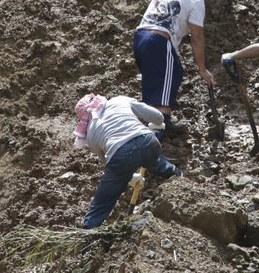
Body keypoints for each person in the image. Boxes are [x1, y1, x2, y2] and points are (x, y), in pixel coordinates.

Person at [133, 0, 229, 134]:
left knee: (166, 75)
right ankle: (160, 131)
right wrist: (202, 69)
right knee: (167, 82)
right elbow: (197, 37)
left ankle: (152, 122)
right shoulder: (196, 0)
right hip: (159, 40)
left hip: (140, 37)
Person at [74, 94, 181, 229]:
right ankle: (177, 175)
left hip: (120, 155)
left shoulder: (90, 134)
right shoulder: (120, 100)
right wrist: (156, 125)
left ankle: (89, 230)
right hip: (148, 141)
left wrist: (129, 177)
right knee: (153, 161)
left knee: (104, 199)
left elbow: (110, 164)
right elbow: (158, 116)